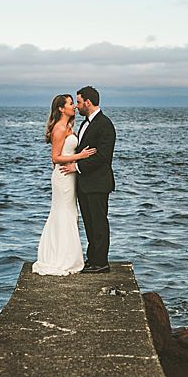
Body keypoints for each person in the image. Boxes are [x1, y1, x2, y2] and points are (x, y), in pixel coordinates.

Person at [32, 93, 97, 276]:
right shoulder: (59, 128)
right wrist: (80, 157)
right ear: (61, 108)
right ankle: (60, 258)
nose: (74, 107)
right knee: (63, 213)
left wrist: (75, 164)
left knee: (70, 213)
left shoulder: (68, 126)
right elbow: (55, 158)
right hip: (62, 177)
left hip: (70, 176)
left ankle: (67, 256)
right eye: (70, 104)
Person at [60, 86, 115, 274]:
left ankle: (101, 263)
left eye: (79, 101)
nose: (77, 106)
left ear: (88, 103)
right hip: (85, 183)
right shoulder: (85, 123)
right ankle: (92, 260)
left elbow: (103, 157)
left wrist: (77, 167)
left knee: (99, 223)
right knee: (90, 224)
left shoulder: (105, 124)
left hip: (98, 183)